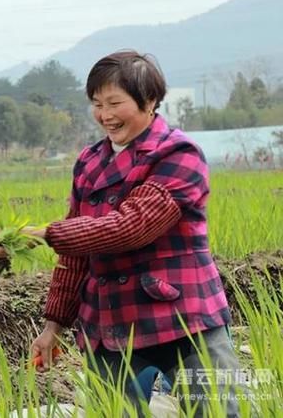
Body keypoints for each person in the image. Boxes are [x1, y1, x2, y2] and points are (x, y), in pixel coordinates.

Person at [20, 51, 242, 416]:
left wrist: (45, 233)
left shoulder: (180, 154)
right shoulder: (89, 162)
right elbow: (75, 256)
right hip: (109, 323)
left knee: (216, 410)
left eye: (115, 103)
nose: (105, 115)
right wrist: (53, 326)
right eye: (96, 104)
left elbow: (131, 227)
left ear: (150, 100)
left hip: (183, 318)